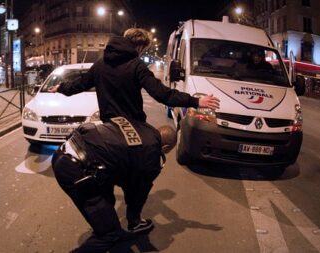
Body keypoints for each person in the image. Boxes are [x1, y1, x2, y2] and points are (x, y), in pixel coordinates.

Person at [52, 118, 178, 253]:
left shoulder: (142, 125)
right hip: (76, 171)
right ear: (165, 148)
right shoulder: (151, 157)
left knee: (107, 200)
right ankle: (107, 233)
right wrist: (133, 220)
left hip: (65, 150)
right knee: (110, 235)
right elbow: (137, 194)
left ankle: (110, 226)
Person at [50, 28, 220, 123]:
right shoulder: (137, 66)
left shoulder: (100, 64)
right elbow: (161, 94)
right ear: (138, 47)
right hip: (133, 126)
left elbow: (80, 83)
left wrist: (60, 87)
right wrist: (196, 101)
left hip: (108, 126)